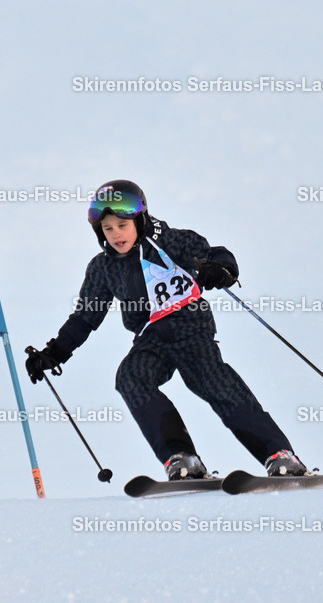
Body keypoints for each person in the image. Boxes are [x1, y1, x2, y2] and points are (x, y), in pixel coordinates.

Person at [25, 180, 305, 480]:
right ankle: (181, 458)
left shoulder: (173, 242)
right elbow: (85, 318)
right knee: (131, 377)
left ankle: (278, 454)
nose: (116, 234)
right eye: (108, 228)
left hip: (191, 328)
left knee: (213, 382)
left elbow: (218, 255)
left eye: (122, 224)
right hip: (151, 339)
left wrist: (219, 269)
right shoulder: (103, 268)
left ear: (140, 219)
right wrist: (54, 353)